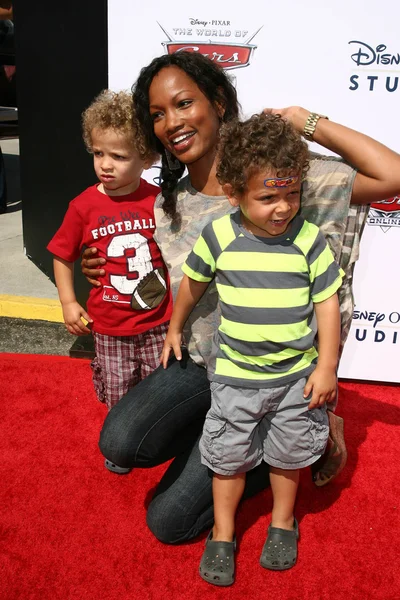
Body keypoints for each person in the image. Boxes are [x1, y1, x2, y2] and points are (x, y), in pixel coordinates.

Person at [81, 52, 400, 544]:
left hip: (280, 366)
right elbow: (168, 284)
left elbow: (393, 175)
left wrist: (305, 122)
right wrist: (97, 267)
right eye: (158, 114)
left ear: (220, 101)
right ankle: (234, 435)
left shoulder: (284, 180)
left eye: (184, 103)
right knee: (121, 442)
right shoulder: (171, 202)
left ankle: (294, 440)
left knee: (168, 523)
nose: (171, 122)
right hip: (208, 367)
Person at [160, 112, 343, 584]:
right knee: (227, 459)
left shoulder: (309, 240)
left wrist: (326, 367)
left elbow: (326, 305)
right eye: (267, 197)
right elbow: (193, 285)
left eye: (291, 194)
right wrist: (174, 327)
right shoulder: (218, 236)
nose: (282, 207)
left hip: (294, 380)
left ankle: (283, 523)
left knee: (288, 456)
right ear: (234, 192)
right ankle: (223, 532)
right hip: (235, 378)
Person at [48, 90, 173, 423]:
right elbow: (62, 254)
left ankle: (149, 433)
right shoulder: (83, 206)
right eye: (98, 152)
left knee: (156, 384)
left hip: (159, 321)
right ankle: (120, 435)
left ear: (145, 158)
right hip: (110, 324)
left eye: (118, 156)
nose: (105, 164)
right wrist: (68, 301)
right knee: (118, 387)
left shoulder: (158, 200)